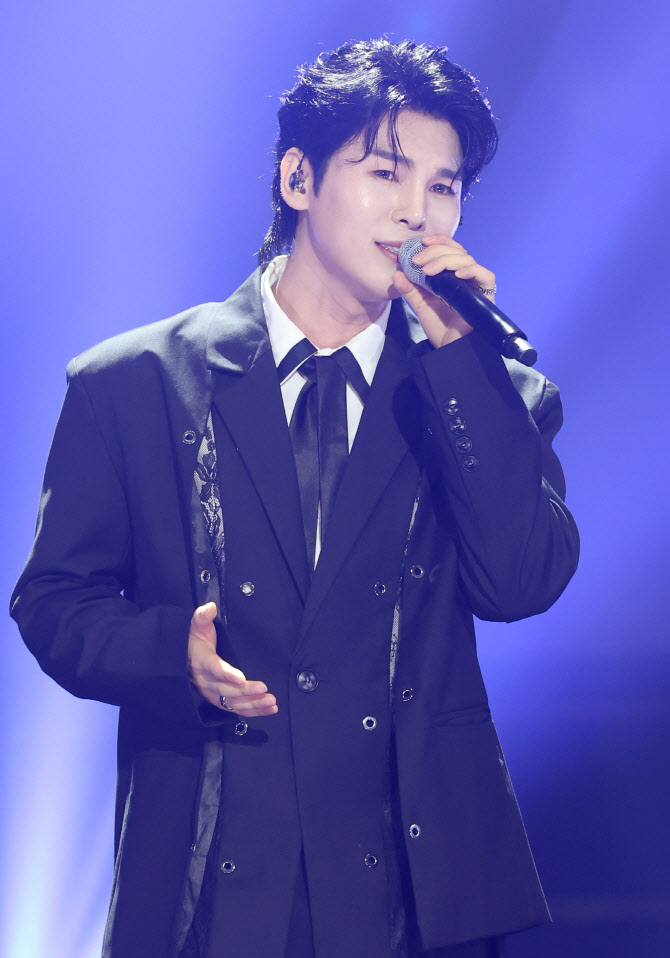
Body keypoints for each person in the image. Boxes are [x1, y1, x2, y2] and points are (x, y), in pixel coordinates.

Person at [10, 38, 579, 958]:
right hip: (211, 878)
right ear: (298, 178)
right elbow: (53, 601)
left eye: (443, 185)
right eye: (387, 172)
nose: (417, 210)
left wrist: (464, 365)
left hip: (409, 894)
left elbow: (519, 583)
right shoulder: (134, 384)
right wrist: (170, 654)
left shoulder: (494, 399)